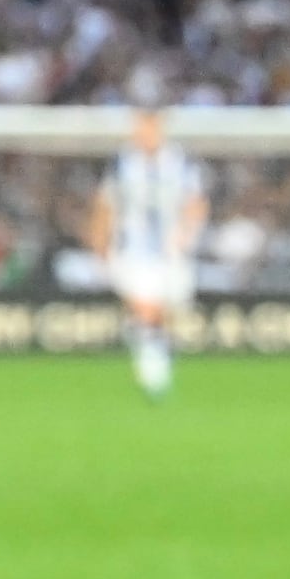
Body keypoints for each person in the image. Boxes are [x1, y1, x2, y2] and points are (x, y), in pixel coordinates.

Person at [84, 106, 204, 401]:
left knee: (165, 312)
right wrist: (99, 241)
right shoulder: (121, 163)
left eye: (150, 128)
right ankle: (154, 374)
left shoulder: (181, 162)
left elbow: (196, 202)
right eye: (140, 128)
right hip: (132, 250)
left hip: (170, 251)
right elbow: (105, 204)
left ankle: (150, 349)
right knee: (146, 308)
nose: (144, 134)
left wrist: (187, 233)